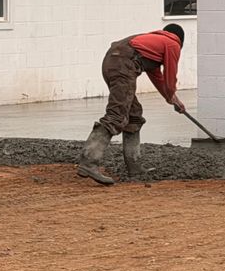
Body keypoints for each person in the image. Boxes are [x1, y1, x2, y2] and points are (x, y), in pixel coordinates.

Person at [77, 23, 187, 185]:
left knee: (133, 116)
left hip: (111, 62)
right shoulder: (173, 44)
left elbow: (157, 77)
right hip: (123, 66)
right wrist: (173, 96)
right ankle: (89, 161)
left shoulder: (153, 41)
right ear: (181, 41)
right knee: (117, 115)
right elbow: (170, 80)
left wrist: (171, 99)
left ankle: (134, 167)